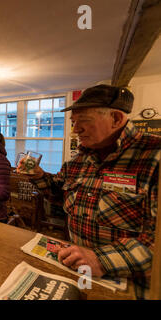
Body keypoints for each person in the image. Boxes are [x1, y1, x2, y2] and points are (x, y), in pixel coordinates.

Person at [17, 84, 159, 299]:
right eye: (74, 123)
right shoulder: (79, 160)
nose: (75, 130)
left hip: (132, 285)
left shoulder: (154, 157)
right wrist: (38, 175)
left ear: (116, 119)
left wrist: (101, 260)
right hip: (80, 271)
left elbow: (155, 239)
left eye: (84, 121)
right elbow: (57, 195)